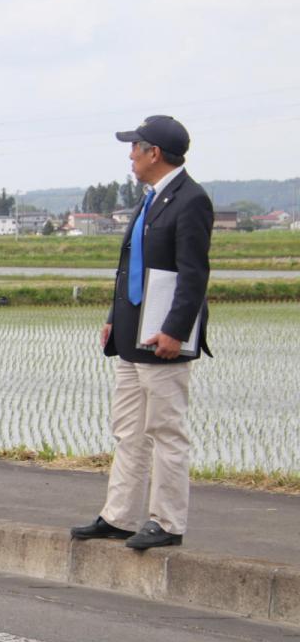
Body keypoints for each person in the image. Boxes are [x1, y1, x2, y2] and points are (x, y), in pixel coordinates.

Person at [71, 116, 213, 550]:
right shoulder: (150, 198)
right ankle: (119, 517)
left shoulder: (191, 200)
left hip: (163, 338)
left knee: (166, 430)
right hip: (132, 333)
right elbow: (130, 266)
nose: (130, 155)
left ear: (155, 153)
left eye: (135, 147)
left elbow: (193, 274)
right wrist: (115, 318)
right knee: (128, 430)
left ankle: (167, 522)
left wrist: (174, 330)